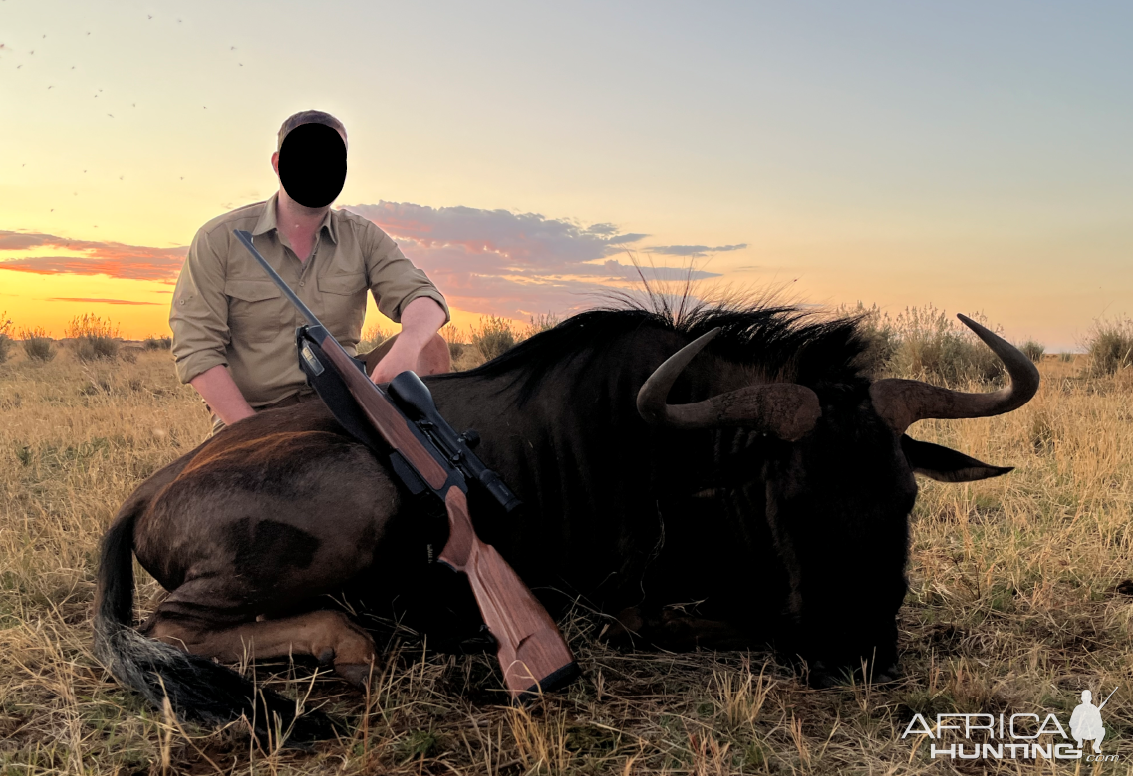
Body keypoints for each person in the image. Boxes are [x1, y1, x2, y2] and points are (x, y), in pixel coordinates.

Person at [170, 110, 450, 435]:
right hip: (255, 415)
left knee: (431, 348)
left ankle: (422, 441)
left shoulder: (362, 236)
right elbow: (196, 348)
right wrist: (250, 431)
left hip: (346, 400)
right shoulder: (218, 239)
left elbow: (424, 298)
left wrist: (407, 347)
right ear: (278, 164)